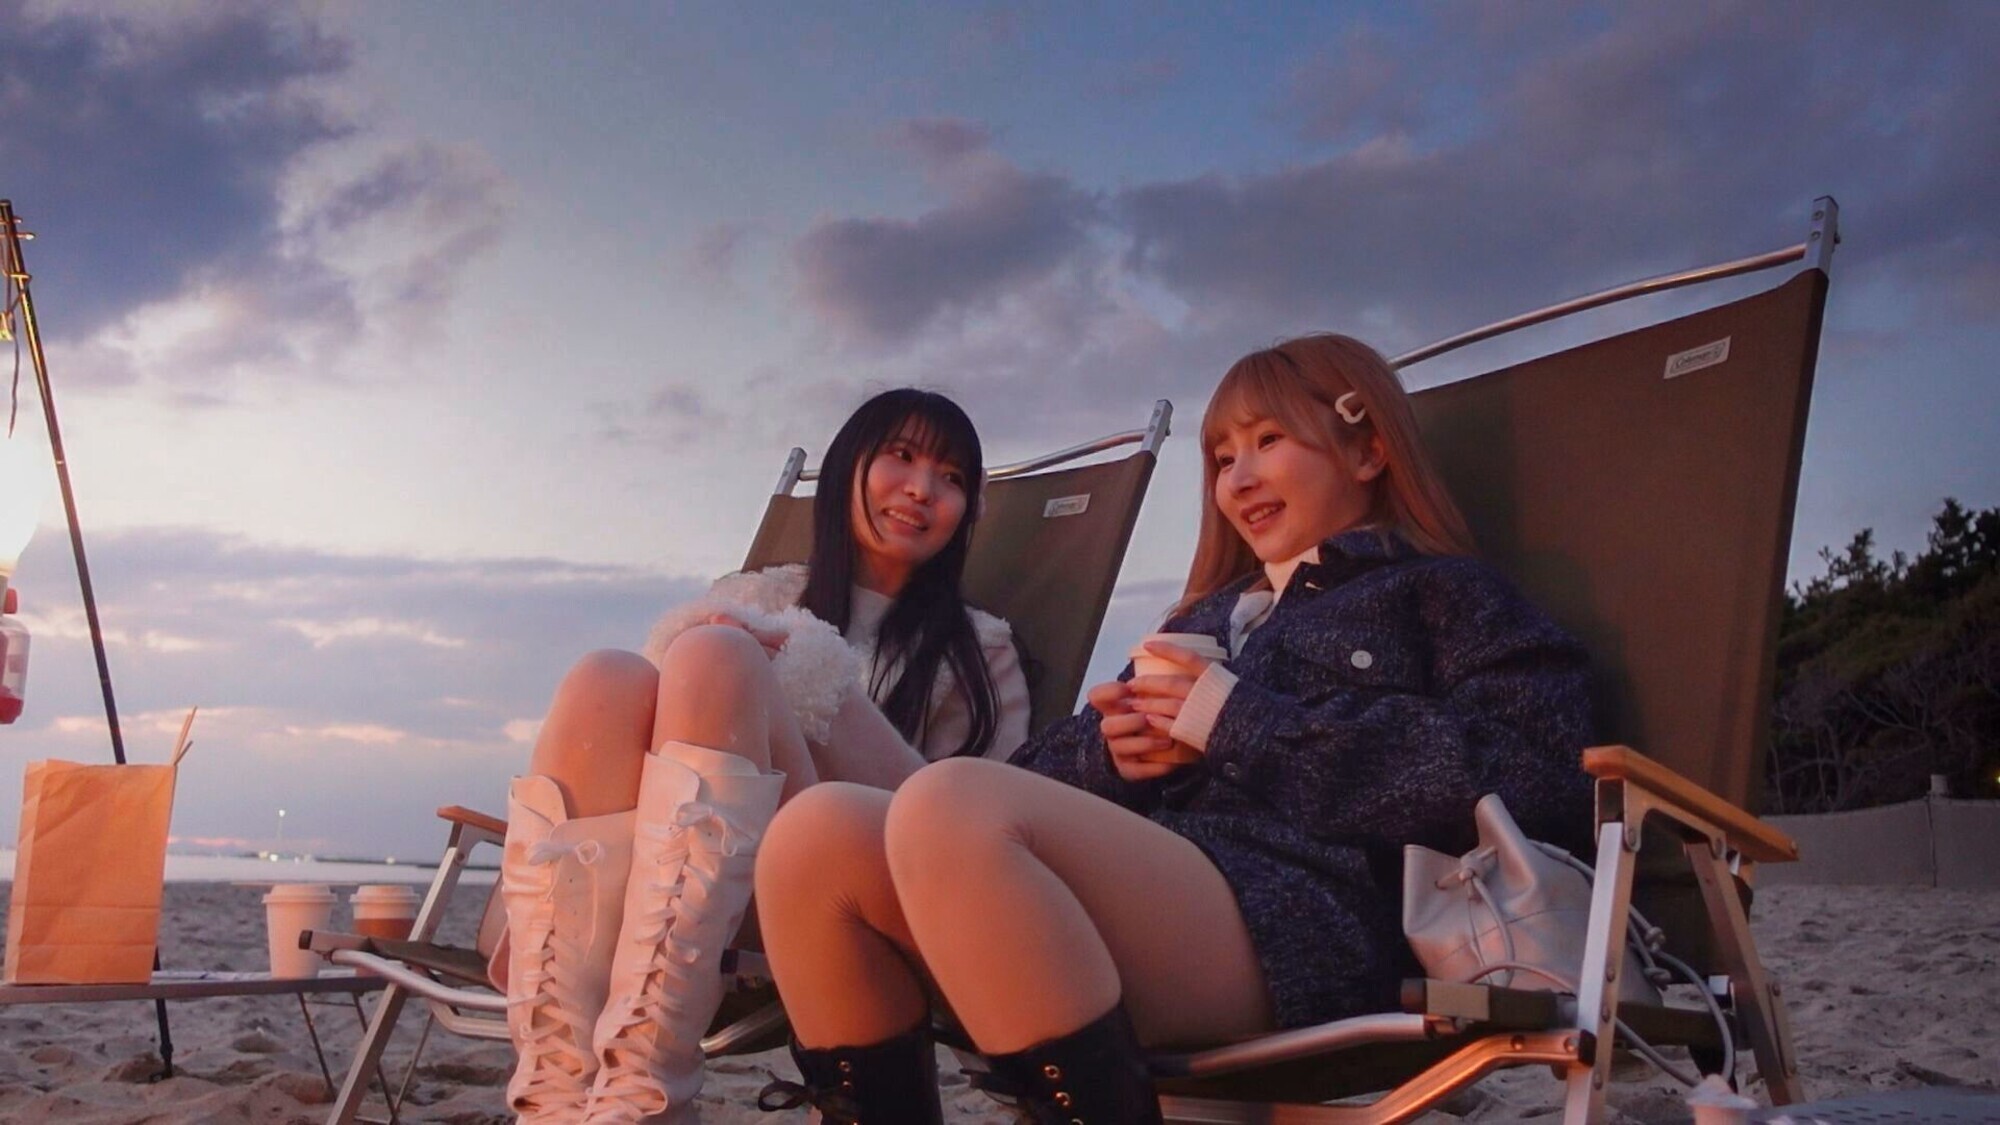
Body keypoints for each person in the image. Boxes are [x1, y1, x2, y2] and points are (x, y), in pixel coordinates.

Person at [751, 335, 1597, 1123]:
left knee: (947, 799)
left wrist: (1242, 722)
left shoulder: (1440, 592)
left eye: (1268, 441)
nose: (1239, 478)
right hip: (1140, 899)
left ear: (1369, 451)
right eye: (1223, 458)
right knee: (813, 834)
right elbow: (1033, 773)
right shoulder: (1204, 619)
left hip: (1311, 922)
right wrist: (1110, 754)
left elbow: (1539, 774)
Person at [498, 388, 1032, 1124]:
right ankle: (559, 1096)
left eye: (951, 477)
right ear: (847, 468)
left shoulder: (980, 652)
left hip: (836, 892)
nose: (921, 489)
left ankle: (649, 1090)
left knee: (718, 654)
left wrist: (809, 670)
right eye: (902, 457)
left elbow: (971, 825)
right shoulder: (757, 593)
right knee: (608, 676)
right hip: (672, 881)